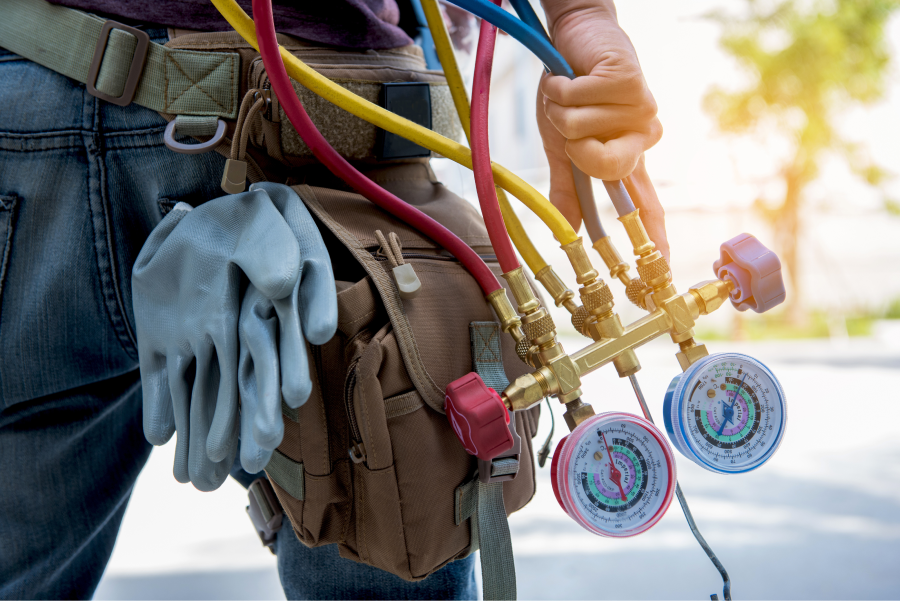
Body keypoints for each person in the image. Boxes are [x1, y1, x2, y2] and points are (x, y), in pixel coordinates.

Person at [0, 0, 666, 599]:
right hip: (320, 128)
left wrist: (584, 21)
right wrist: (581, 18)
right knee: (392, 537)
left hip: (37, 97)